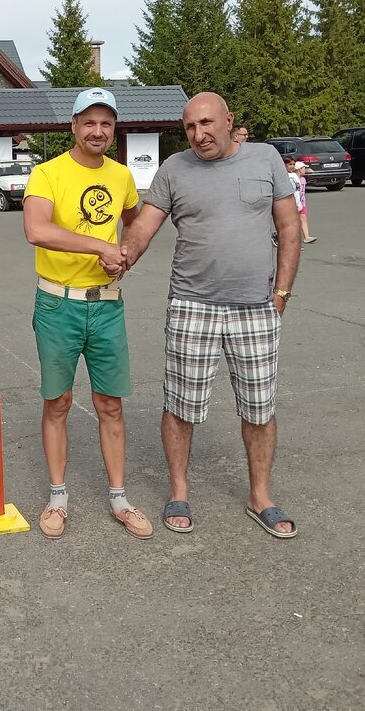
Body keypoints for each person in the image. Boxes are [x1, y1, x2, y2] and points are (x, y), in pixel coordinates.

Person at [121, 92, 301, 539]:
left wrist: (281, 294)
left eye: (206, 123)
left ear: (228, 120)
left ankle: (260, 497)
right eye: (190, 127)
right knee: (180, 406)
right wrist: (119, 258)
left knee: (259, 408)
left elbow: (289, 228)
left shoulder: (265, 159)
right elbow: (144, 227)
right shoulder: (174, 169)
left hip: (255, 308)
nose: (199, 134)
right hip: (192, 305)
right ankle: (178, 492)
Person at [22, 86, 152, 541]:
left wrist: (126, 255)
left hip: (107, 304)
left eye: (106, 124)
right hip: (57, 303)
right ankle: (57, 498)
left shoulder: (121, 176)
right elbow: (36, 229)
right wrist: (100, 245)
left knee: (110, 405)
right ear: (74, 126)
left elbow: (136, 223)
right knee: (57, 402)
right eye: (90, 122)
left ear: (114, 129)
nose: (98, 131)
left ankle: (120, 498)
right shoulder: (47, 173)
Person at [293, 161, 317, 244]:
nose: (305, 170)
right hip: (294, 204)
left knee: (303, 218)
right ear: (299, 169)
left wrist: (303, 203)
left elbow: (302, 193)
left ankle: (307, 237)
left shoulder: (303, 179)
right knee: (292, 221)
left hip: (302, 203)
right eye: (303, 168)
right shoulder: (293, 179)